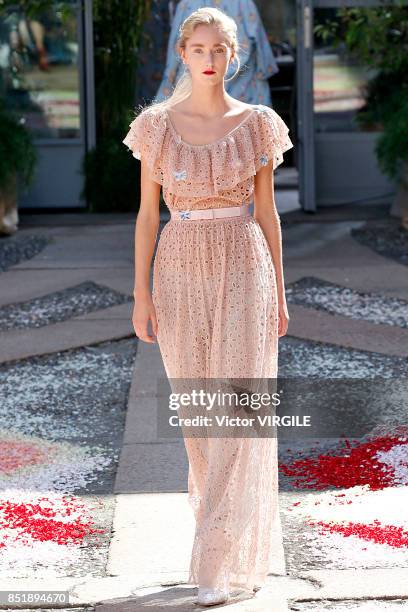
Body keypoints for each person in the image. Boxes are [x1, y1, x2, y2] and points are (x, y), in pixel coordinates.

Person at [122, 6, 293, 607]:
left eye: (219, 50)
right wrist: (141, 293)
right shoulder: (155, 127)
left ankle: (216, 564)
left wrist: (280, 287)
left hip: (245, 265)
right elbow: (147, 216)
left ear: (233, 56)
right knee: (201, 417)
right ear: (182, 54)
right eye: (199, 49)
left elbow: (268, 213)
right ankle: (224, 544)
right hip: (178, 265)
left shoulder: (258, 124)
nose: (210, 60)